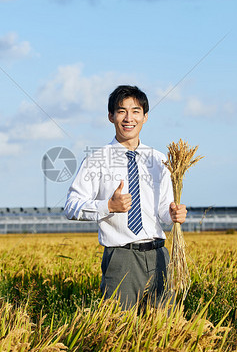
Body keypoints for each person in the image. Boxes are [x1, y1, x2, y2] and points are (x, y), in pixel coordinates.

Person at [64, 85, 187, 309]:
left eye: (136, 111)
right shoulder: (96, 160)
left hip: (160, 257)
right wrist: (107, 206)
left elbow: (163, 213)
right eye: (121, 111)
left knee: (164, 334)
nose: (129, 118)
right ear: (111, 116)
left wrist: (173, 214)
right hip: (121, 259)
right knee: (118, 333)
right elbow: (71, 206)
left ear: (145, 117)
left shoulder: (160, 160)